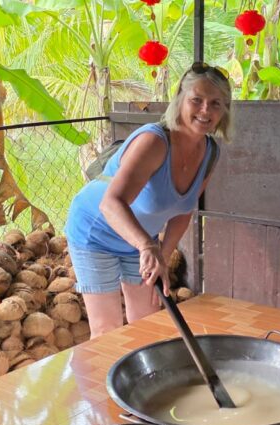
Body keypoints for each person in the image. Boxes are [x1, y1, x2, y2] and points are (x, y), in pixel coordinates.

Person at [65, 63, 232, 338]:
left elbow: (183, 211)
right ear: (180, 99)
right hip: (96, 231)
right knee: (107, 328)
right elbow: (111, 203)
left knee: (147, 322)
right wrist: (146, 246)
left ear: (225, 110)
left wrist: (163, 256)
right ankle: (100, 380)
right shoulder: (154, 142)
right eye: (197, 100)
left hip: (141, 240)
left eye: (215, 103)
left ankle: (145, 378)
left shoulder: (210, 152)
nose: (205, 111)